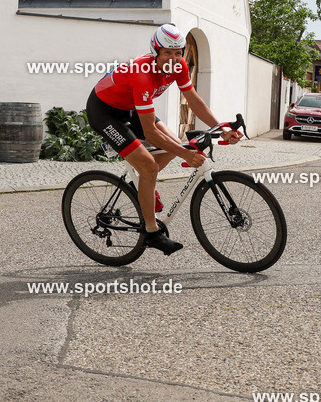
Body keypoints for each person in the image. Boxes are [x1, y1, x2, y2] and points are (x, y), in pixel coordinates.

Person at [86, 23, 242, 255]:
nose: (173, 58)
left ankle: (142, 185)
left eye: (178, 52)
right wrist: (186, 154)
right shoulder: (142, 73)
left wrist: (221, 128)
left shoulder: (179, 67)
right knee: (150, 165)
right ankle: (151, 233)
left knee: (173, 147)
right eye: (167, 52)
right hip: (104, 111)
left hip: (130, 108)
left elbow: (194, 100)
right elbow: (150, 133)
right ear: (155, 51)